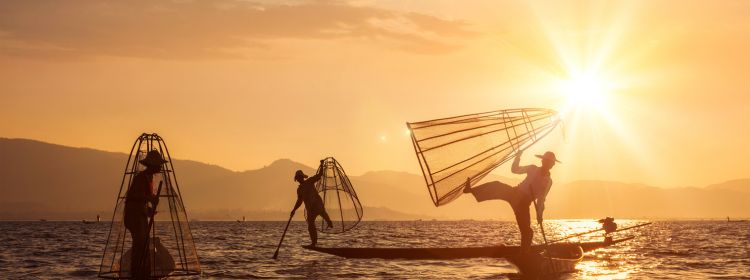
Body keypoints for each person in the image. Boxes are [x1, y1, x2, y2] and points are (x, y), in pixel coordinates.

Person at [463, 150, 560, 253]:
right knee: (496, 185)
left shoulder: (548, 182)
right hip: (515, 193)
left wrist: (539, 215)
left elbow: (541, 200)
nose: (546, 164)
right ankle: (471, 190)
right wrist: (517, 157)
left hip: (523, 204)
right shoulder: (532, 168)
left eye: (549, 163)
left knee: (527, 233)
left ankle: (524, 255)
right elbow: (515, 170)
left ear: (552, 165)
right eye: (545, 161)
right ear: (542, 161)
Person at [123, 150, 166, 279]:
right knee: (139, 245)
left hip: (140, 216)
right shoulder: (141, 178)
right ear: (152, 165)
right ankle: (137, 273)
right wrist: (150, 198)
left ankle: (142, 272)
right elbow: (134, 196)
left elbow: (143, 200)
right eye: (158, 164)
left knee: (143, 245)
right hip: (133, 217)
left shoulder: (149, 178)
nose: (160, 167)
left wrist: (149, 210)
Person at [290, 160, 334, 247]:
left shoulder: (310, 181)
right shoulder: (299, 189)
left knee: (322, 212)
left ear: (302, 177)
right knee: (310, 225)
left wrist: (321, 165)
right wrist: (294, 210)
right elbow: (299, 201)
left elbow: (319, 175)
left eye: (300, 177)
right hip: (310, 209)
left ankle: (329, 221)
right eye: (298, 178)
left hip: (317, 205)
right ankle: (314, 242)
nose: (299, 179)